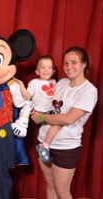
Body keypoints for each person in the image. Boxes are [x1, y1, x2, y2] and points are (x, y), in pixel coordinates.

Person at [30, 46, 97, 199]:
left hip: (65, 147)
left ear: (84, 64)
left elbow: (68, 118)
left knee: (62, 191)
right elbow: (48, 106)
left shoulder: (88, 91)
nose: (69, 67)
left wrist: (41, 117)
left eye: (74, 62)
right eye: (66, 63)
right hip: (43, 141)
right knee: (51, 183)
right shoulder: (61, 83)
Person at [14, 55, 61, 163]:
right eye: (43, 67)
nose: (46, 70)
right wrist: (21, 85)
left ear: (53, 71)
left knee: (58, 126)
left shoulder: (54, 82)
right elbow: (27, 96)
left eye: (49, 67)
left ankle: (45, 145)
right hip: (37, 111)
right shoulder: (34, 83)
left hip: (50, 111)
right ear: (37, 71)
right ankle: (43, 145)